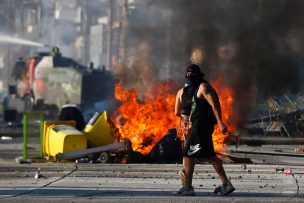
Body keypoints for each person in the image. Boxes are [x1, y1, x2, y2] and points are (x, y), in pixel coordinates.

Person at [173, 64, 235, 196]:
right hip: (195, 126)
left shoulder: (203, 87)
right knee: (210, 156)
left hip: (201, 126)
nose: (189, 79)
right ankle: (226, 184)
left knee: (187, 155)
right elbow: (177, 112)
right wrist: (186, 121)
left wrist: (220, 122)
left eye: (191, 76)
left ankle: (187, 187)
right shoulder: (184, 92)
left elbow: (215, 105)